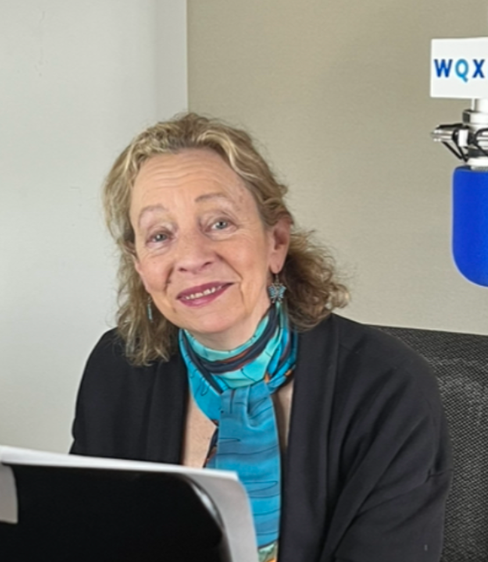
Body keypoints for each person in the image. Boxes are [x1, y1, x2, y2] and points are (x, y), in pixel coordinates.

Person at [70, 113, 451, 562]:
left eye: (219, 224)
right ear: (140, 266)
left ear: (277, 241)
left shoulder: (386, 388)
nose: (191, 257)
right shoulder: (117, 370)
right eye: (160, 235)